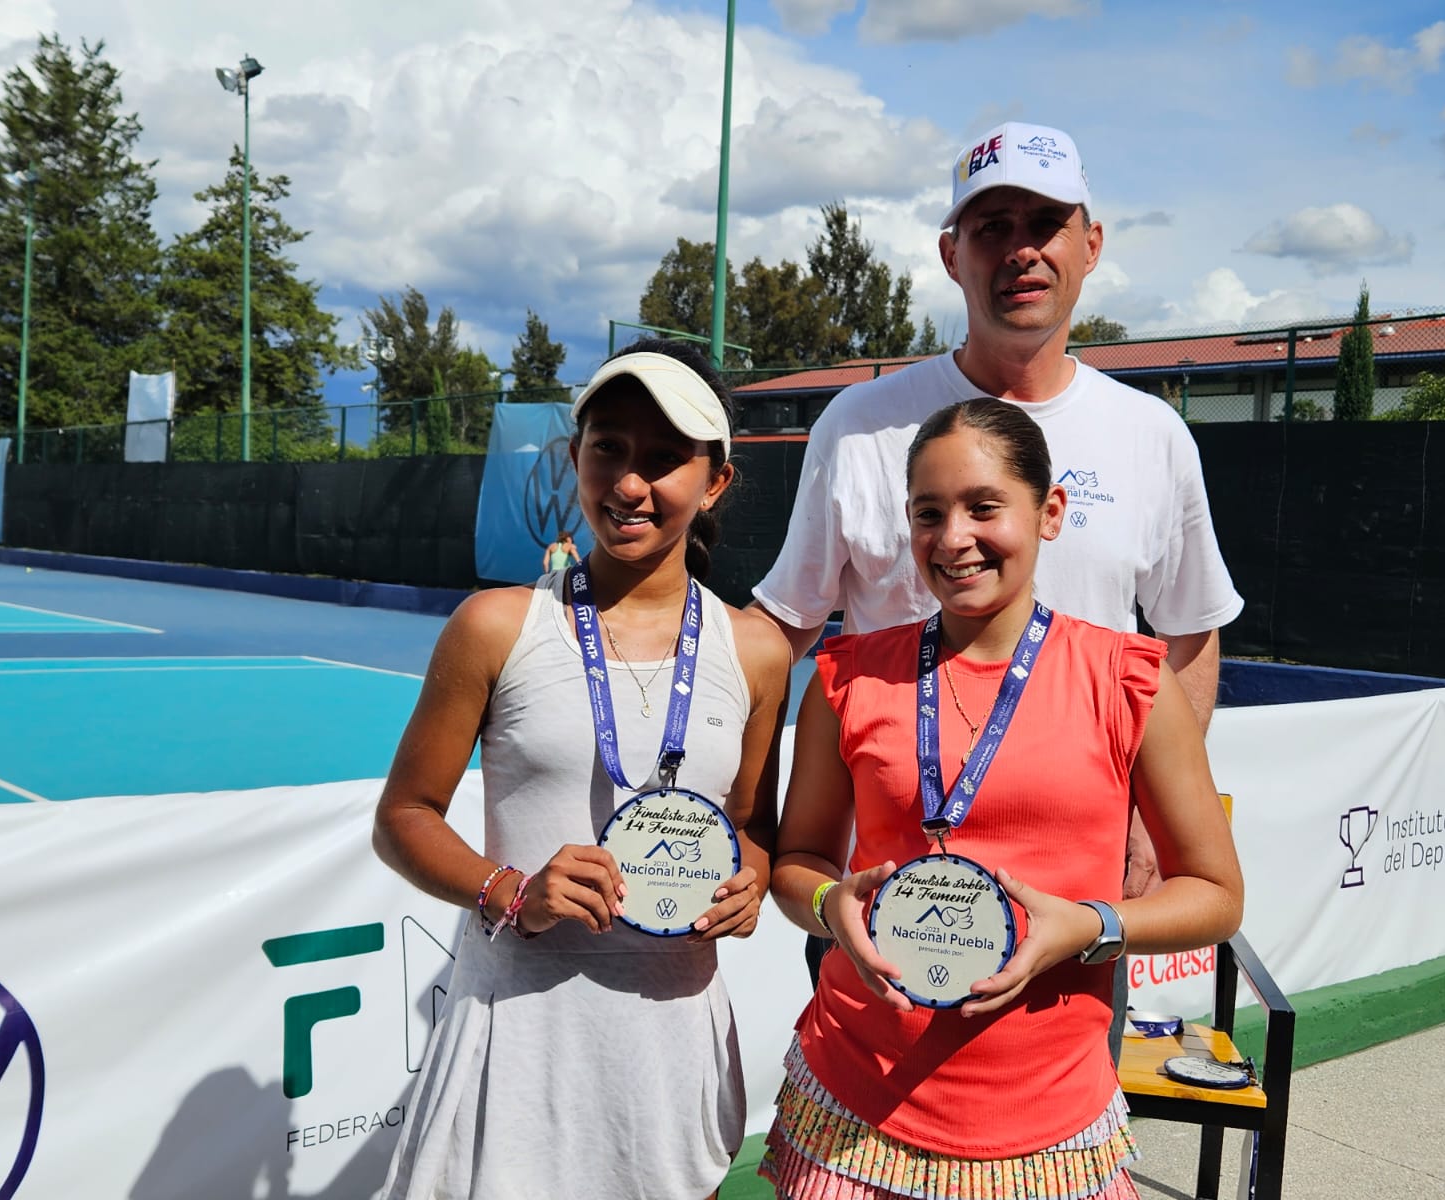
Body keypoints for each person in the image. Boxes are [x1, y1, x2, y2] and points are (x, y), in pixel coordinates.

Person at [752, 122, 1243, 1046]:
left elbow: (1189, 632)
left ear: (1090, 245)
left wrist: (1152, 823)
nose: (1021, 249)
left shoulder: (1153, 435)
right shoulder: (859, 425)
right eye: (991, 226)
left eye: (1047, 222)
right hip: (880, 909)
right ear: (951, 253)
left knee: (1043, 1125)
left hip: (1067, 915)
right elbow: (783, 627)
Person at [760, 398, 1244, 1199]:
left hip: (1047, 1122)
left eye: (984, 507)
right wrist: (828, 904)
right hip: (854, 1108)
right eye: (928, 513)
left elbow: (1217, 896)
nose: (954, 539)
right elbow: (799, 861)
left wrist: (1089, 926)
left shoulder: (1131, 679)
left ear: (1049, 512)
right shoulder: (847, 678)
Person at [374, 338, 791, 1199]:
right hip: (514, 1040)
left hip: (671, 1053)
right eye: (609, 449)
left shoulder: (756, 651)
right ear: (576, 459)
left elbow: (751, 829)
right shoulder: (495, 625)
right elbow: (404, 816)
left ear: (715, 483)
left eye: (666, 459)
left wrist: (750, 884)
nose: (630, 484)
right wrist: (510, 891)